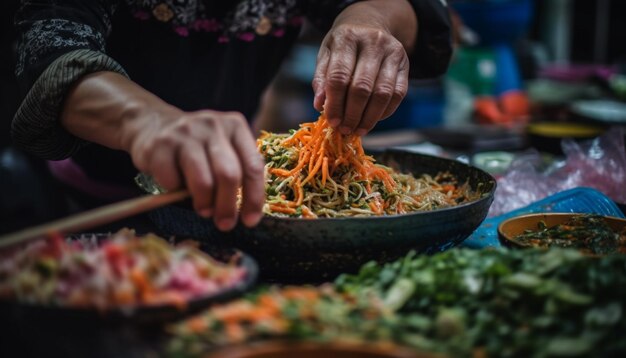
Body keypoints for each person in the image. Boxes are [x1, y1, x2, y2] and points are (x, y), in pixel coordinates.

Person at [12, 0, 452, 232]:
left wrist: (369, 16)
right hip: (99, 199)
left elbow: (420, 11)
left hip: (241, 200)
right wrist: (149, 122)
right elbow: (47, 45)